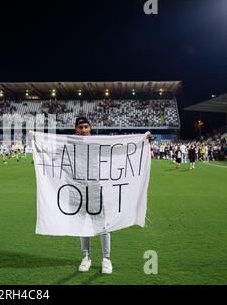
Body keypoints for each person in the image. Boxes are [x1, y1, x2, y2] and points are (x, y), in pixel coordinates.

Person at [29, 116, 153, 275]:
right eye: (80, 127)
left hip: (94, 187)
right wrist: (36, 140)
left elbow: (119, 148)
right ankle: (86, 257)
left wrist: (143, 140)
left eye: (86, 127)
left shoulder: (97, 143)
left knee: (103, 223)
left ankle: (106, 259)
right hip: (76, 188)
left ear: (90, 128)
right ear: (76, 129)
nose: (83, 130)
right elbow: (52, 155)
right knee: (81, 223)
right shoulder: (68, 143)